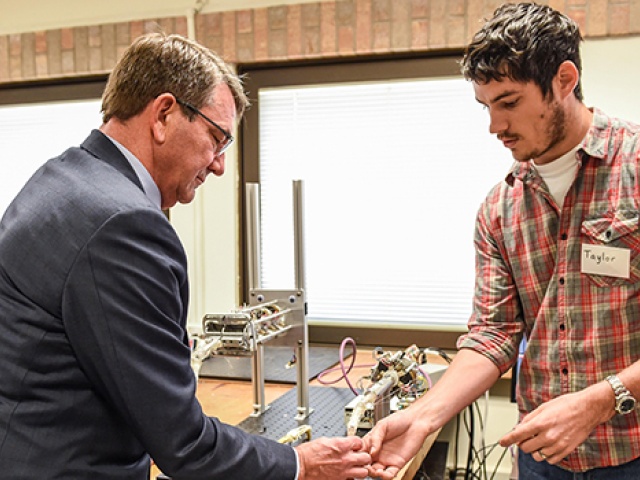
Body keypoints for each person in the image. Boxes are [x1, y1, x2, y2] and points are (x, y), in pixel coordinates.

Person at [0, 32, 371, 480]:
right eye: (216, 138)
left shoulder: (61, 178)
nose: (218, 164)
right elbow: (184, 444)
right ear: (163, 114)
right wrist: (301, 463)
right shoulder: (123, 224)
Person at [364, 3, 640, 479]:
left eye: (508, 102)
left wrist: (601, 400)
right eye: (486, 106)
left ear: (564, 80)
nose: (495, 126)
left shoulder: (634, 170)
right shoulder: (500, 208)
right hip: (541, 456)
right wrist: (422, 416)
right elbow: (493, 336)